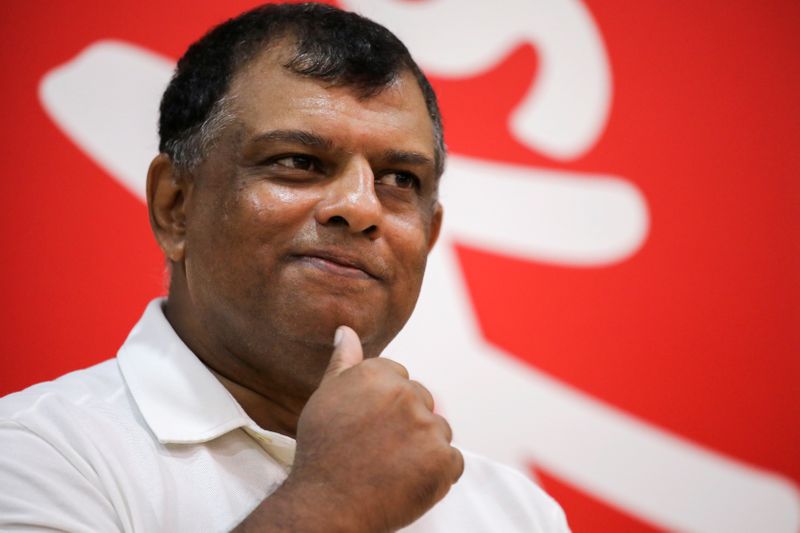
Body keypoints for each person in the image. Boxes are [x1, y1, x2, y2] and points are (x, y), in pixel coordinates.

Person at [0, 3, 569, 531]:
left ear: (429, 235)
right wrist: (333, 502)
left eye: (400, 179)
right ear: (176, 206)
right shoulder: (36, 453)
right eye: (298, 162)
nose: (361, 206)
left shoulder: (513, 512)